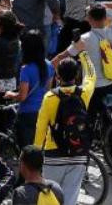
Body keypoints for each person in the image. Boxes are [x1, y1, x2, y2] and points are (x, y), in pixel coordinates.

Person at [34, 52, 95, 205]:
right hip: (78, 153)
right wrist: (83, 54)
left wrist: (36, 153)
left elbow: (40, 128)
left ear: (57, 75)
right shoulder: (84, 93)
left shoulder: (49, 97)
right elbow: (91, 75)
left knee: (49, 198)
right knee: (70, 199)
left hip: (53, 154)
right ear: (77, 75)